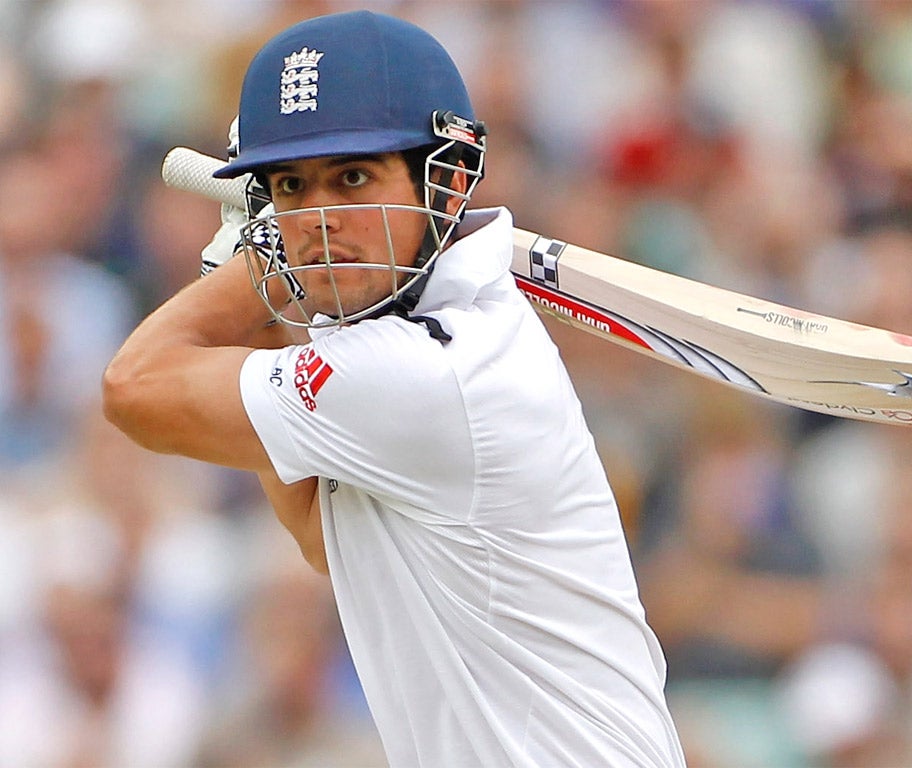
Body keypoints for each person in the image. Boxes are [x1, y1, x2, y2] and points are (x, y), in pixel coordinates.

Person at [103, 10, 685, 767]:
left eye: (351, 178)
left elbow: (132, 387)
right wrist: (274, 302)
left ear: (442, 182)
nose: (316, 220)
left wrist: (254, 265)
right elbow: (322, 537)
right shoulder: (425, 343)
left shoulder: (430, 369)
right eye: (288, 186)